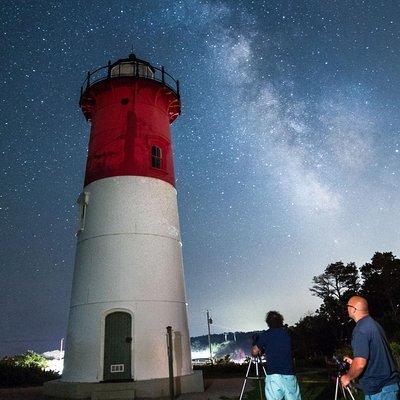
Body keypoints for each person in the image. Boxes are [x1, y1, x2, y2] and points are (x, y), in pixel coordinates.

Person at [340, 295, 400, 399]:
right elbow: (375, 356)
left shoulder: (360, 329)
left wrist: (348, 377)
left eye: (348, 305)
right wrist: (353, 362)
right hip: (389, 386)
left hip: (379, 390)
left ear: (354, 309)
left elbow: (360, 364)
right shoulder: (374, 325)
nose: (347, 308)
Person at [251, 311, 301, 400]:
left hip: (273, 375)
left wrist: (256, 344)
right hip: (289, 374)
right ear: (280, 321)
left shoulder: (266, 335)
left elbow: (255, 351)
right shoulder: (287, 333)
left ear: (268, 322)